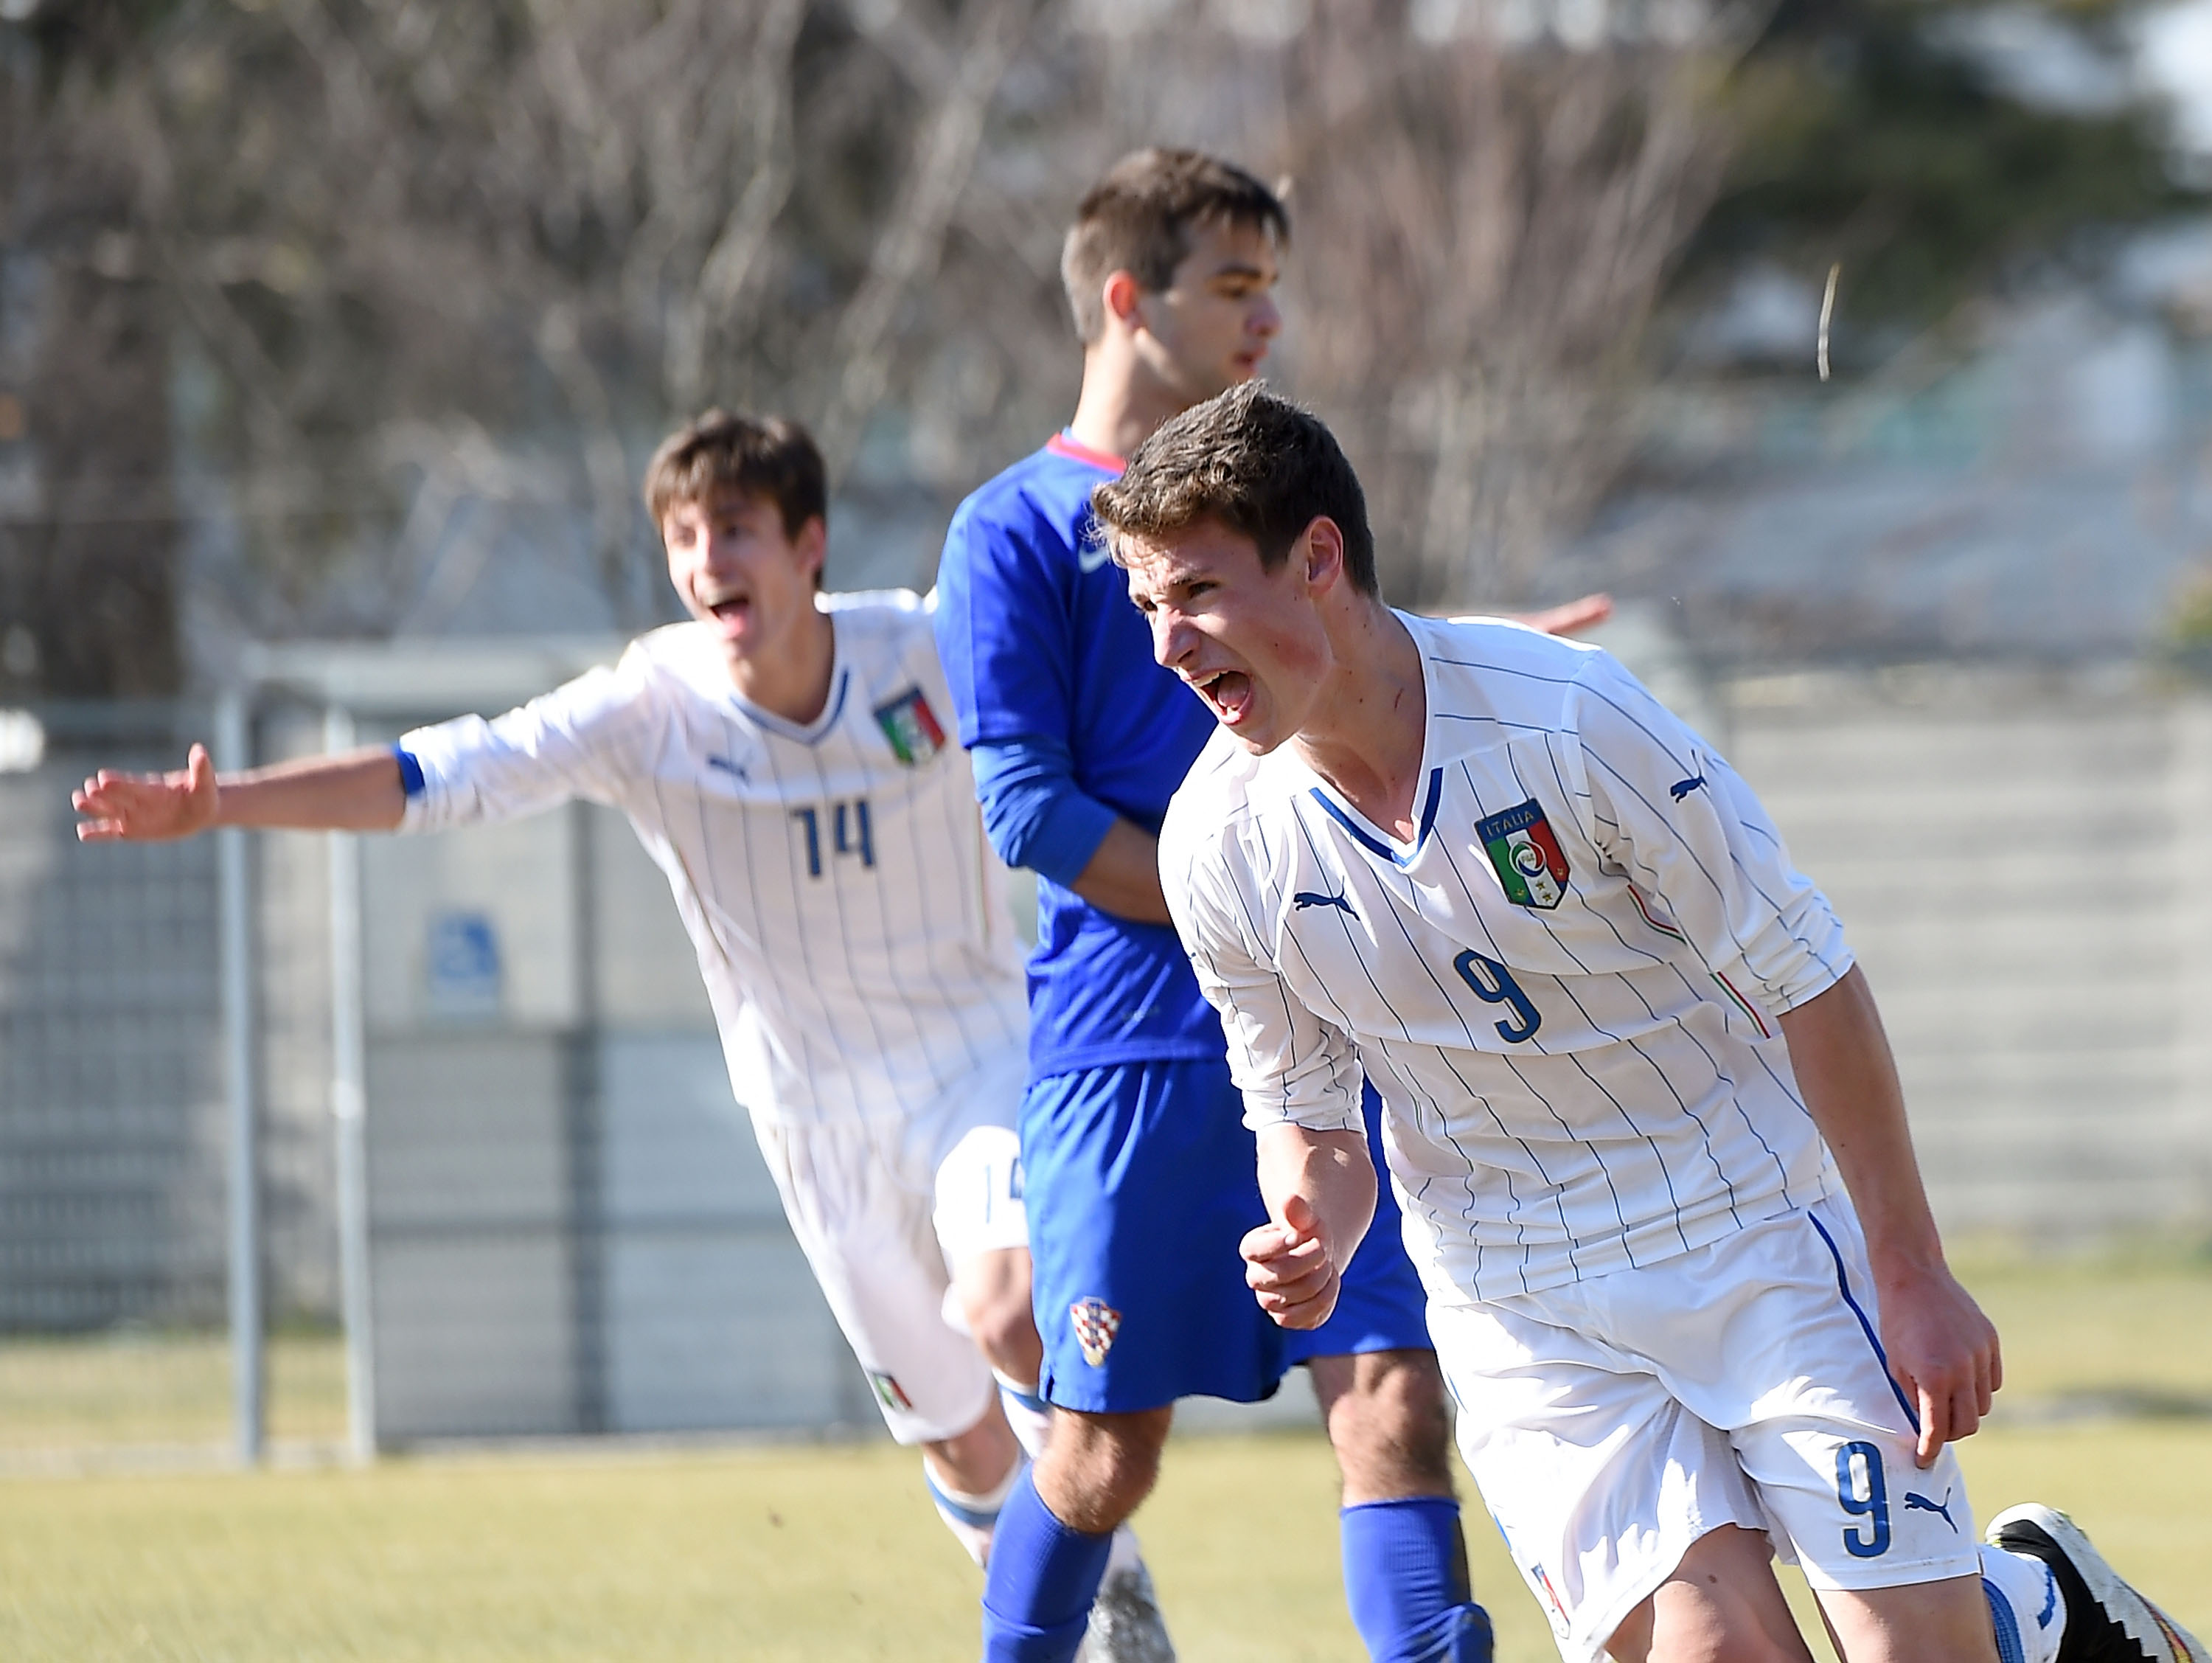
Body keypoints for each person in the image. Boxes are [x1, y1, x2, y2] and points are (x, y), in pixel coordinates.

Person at [1116, 381, 2206, 1663]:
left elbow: (1808, 978)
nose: (1166, 646)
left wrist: (1910, 1270)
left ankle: (2030, 1608)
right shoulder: (1213, 845)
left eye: (1192, 594)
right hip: (1519, 1292)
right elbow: (1308, 1121)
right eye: (1145, 608)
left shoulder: (1572, 718)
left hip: (1748, 1224)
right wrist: (1311, 1232)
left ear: (1316, 559)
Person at [71, 409, 1171, 1660]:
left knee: (1010, 1305)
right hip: (809, 1114)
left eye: (739, 530)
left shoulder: (924, 653)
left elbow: (1096, 681)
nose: (710, 560)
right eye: (685, 536)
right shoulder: (653, 705)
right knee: (958, 1436)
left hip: (980, 1061)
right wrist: (226, 808)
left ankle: (1112, 1604)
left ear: (810, 545)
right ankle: (1080, 1615)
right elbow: (449, 773)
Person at [935, 149, 1606, 1663]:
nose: (1268, 319)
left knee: (1393, 1395)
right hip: (1135, 1056)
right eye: (1236, 285)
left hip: (1334, 1028)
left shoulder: (1271, 507)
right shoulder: (1015, 530)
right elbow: (1029, 809)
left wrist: (1479, 664)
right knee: (1106, 1451)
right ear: (1128, 299)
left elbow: (1364, 699)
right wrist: (1236, 907)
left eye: (1272, 287)